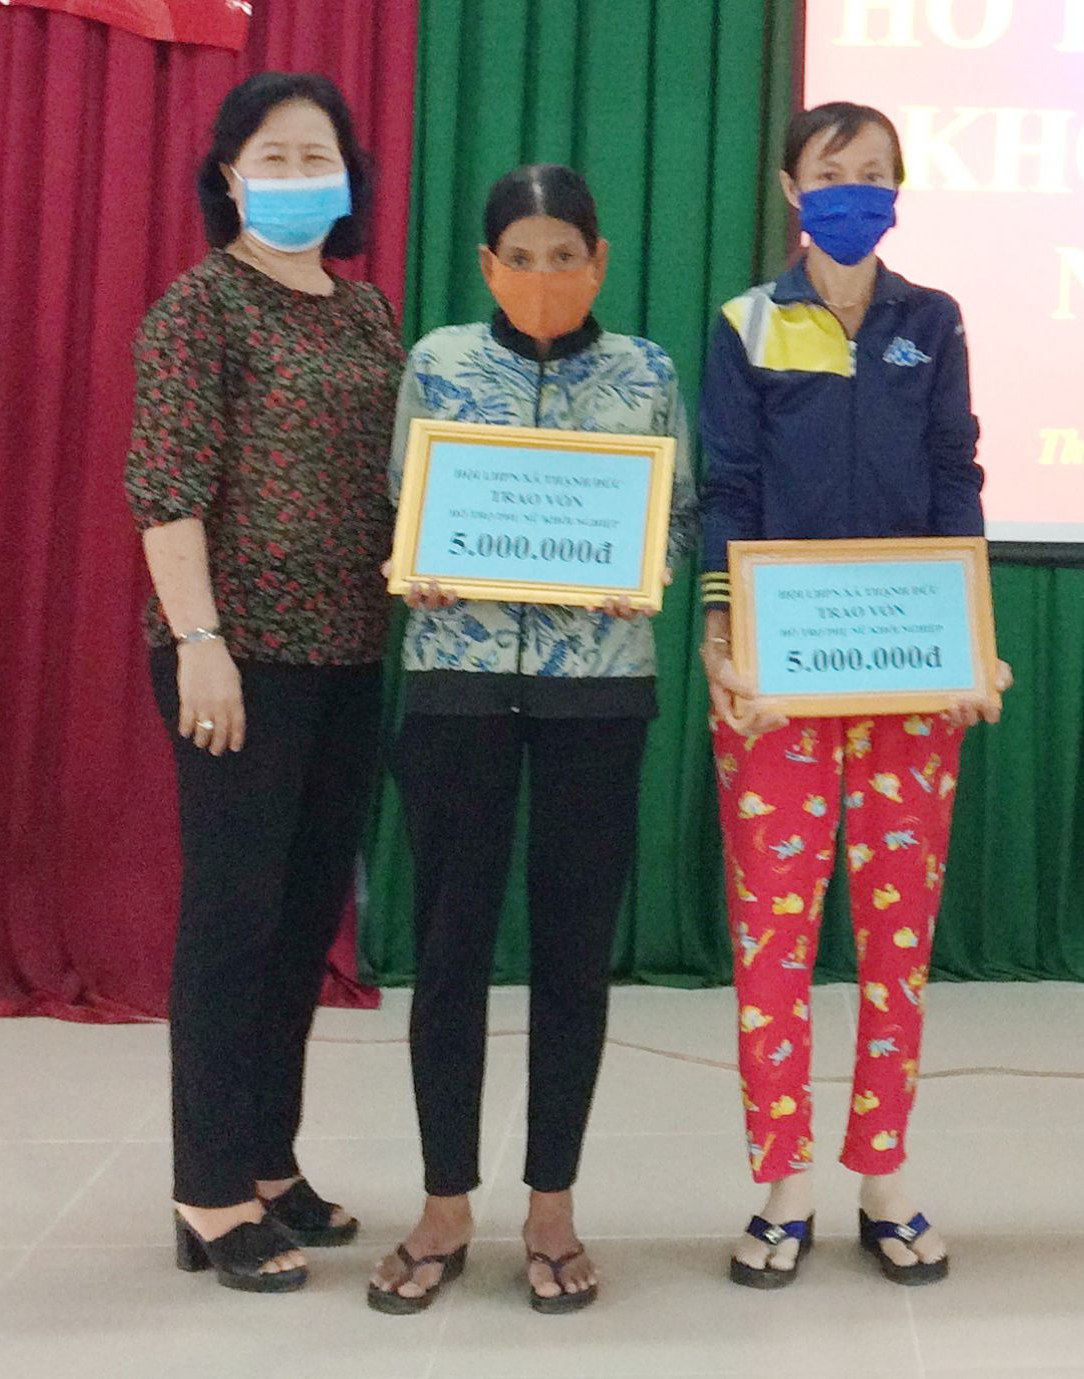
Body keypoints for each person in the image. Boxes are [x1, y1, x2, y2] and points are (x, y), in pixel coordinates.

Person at [365, 164, 698, 1317]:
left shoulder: (647, 372)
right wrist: (422, 558)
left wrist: (639, 566)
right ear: (487, 266)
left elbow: (678, 515)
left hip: (597, 695)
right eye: (522, 256)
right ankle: (444, 1201)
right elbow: (402, 497)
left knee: (572, 954)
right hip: (456, 687)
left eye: (566, 255)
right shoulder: (439, 362)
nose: (544, 274)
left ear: (598, 261)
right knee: (449, 948)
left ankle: (552, 1201)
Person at [699, 102, 1012, 1289]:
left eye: (876, 173)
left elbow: (954, 473)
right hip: (777, 675)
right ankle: (784, 1181)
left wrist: (972, 639)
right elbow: (728, 486)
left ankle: (884, 1173)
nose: (854, 191)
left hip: (910, 672)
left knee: (898, 941)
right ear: (792, 188)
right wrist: (722, 632)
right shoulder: (746, 323)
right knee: (773, 938)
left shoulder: (932, 321)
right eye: (833, 172)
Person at [125, 72, 404, 1294]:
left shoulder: (368, 311)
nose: (298, 175)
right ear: (230, 177)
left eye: (318, 156)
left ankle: (270, 1160)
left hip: (349, 651)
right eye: (273, 157)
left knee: (302, 923)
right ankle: (208, 1186)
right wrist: (201, 640)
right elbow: (165, 488)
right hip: (233, 658)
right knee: (233, 920)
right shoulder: (199, 308)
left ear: (349, 177)